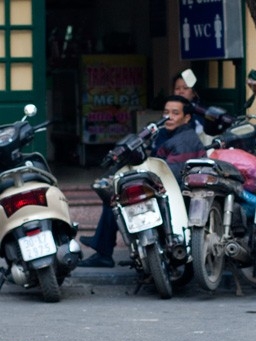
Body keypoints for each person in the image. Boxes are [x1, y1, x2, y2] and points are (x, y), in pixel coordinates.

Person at [79, 95, 206, 267]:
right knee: (114, 196)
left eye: (175, 113)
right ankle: (108, 246)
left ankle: (103, 250)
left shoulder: (184, 140)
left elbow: (171, 174)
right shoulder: (166, 133)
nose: (169, 117)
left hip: (175, 194)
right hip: (162, 186)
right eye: (166, 112)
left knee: (117, 200)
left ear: (187, 117)